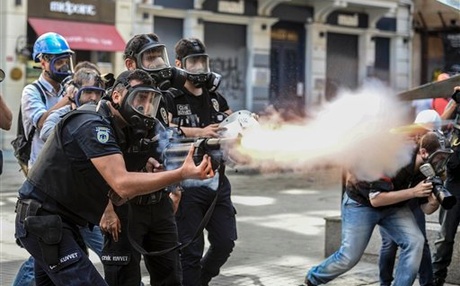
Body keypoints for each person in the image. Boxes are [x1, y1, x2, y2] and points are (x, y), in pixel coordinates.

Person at [14, 68, 214, 286]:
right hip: (43, 219)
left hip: (67, 222)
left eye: (151, 101)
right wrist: (181, 174)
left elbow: (120, 191)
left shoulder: (124, 129)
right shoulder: (92, 123)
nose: (145, 107)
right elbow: (122, 185)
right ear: (117, 95)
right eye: (140, 98)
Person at [304, 131, 447, 286]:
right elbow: (376, 199)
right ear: (424, 152)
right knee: (349, 257)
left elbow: (426, 209)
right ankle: (313, 279)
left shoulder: (426, 169)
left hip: (394, 206)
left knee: (415, 242)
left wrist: (433, 202)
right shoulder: (394, 156)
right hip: (362, 203)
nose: (442, 162)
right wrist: (413, 192)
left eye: (445, 157)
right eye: (439, 157)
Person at [99, 33, 183, 286]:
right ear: (131, 64)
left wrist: (176, 189)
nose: (158, 63)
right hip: (125, 207)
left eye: (159, 57)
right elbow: (96, 163)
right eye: (150, 58)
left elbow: (169, 145)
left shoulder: (165, 99)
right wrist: (107, 209)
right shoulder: (113, 102)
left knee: (170, 276)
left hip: (159, 204)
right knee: (124, 278)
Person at [167, 37, 236, 286]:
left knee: (225, 242)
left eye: (202, 61)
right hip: (187, 183)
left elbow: (231, 123)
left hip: (217, 182)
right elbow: (162, 128)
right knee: (190, 250)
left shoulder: (216, 97)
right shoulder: (170, 97)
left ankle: (203, 279)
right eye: (193, 62)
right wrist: (200, 132)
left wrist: (245, 126)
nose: (199, 67)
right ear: (179, 64)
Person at [12, 31, 75, 286]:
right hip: (44, 182)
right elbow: (40, 121)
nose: (63, 66)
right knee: (44, 252)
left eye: (65, 60)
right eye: (57, 61)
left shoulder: (71, 87)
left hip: (69, 182)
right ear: (43, 62)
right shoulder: (32, 91)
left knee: (48, 252)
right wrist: (67, 100)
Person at [378, 109, 444, 286]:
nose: (423, 136)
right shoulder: (400, 142)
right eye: (422, 131)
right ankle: (385, 283)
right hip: (391, 198)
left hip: (415, 197)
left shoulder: (435, 147)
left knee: (420, 243)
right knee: (389, 245)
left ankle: (427, 283)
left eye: (430, 132)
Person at [431, 85, 460, 286]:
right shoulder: (457, 104)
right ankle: (436, 278)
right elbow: (439, 124)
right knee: (445, 236)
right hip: (456, 180)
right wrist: (456, 99)